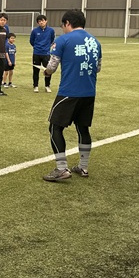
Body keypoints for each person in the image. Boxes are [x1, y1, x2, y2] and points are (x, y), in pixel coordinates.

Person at [42, 9, 102, 182]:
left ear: (67, 23)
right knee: (83, 128)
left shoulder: (63, 40)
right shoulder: (95, 41)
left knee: (55, 128)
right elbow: (98, 67)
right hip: (89, 92)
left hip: (69, 91)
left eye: (63, 25)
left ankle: (61, 169)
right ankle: (83, 166)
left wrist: (46, 72)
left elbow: (52, 67)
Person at [30, 14, 55, 93]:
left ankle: (47, 86)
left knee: (48, 70)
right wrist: (36, 47)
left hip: (46, 53)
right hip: (36, 53)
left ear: (46, 21)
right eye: (39, 21)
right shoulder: (35, 31)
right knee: (36, 70)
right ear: (38, 23)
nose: (41, 22)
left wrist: (47, 47)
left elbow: (52, 39)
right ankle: (35, 86)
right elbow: (31, 41)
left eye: (43, 21)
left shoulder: (51, 30)